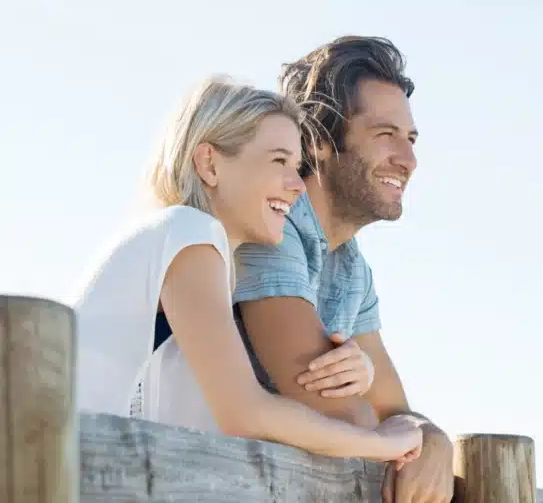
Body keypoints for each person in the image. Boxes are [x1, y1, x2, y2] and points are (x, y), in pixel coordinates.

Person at [69, 75, 422, 465]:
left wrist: (361, 369)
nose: (298, 185)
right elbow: (245, 412)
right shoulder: (189, 234)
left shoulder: (205, 255)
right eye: (278, 161)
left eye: (297, 164)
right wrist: (385, 444)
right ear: (209, 164)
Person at [232, 36, 455, 502]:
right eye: (384, 134)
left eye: (410, 139)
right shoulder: (273, 222)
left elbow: (394, 410)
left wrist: (433, 438)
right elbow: (337, 409)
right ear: (318, 140)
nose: (408, 160)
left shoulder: (352, 267)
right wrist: (399, 431)